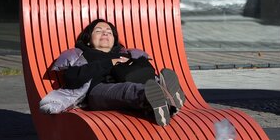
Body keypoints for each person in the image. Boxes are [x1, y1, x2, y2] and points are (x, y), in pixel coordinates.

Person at [39, 18, 186, 126]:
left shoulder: (128, 53)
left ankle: (162, 102)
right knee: (129, 89)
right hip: (99, 91)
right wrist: (109, 63)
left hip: (135, 82)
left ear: (114, 39)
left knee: (149, 82)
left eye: (109, 32)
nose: (105, 33)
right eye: (99, 31)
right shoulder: (81, 55)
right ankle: (160, 97)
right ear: (89, 40)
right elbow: (72, 78)